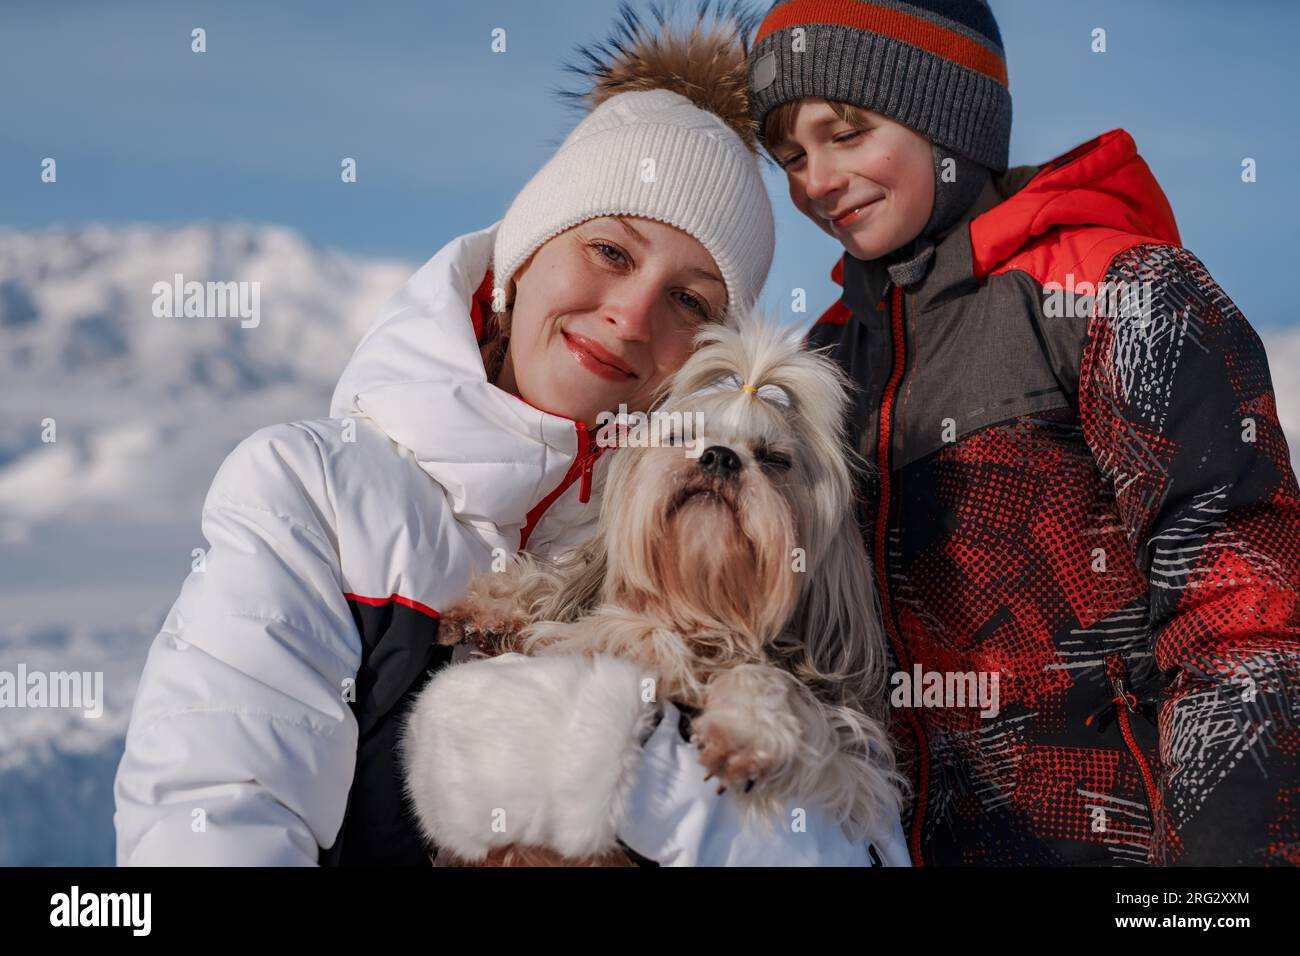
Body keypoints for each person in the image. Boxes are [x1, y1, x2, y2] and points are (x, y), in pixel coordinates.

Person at [113, 7, 908, 867]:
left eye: (691, 301)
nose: (631, 312)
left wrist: (654, 787)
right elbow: (213, 816)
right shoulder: (315, 495)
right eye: (610, 250)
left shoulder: (700, 564)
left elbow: (855, 849)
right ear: (521, 258)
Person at [746, 0, 1300, 865]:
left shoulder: (1115, 293)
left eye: (846, 133)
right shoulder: (820, 365)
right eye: (790, 155)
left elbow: (1244, 613)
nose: (815, 180)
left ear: (948, 118)